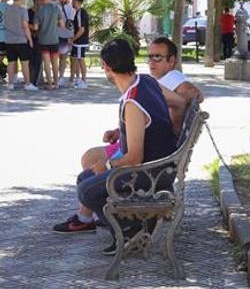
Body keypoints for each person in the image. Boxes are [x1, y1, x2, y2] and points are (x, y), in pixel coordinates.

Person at [55, 36, 201, 236]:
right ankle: (124, 229)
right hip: (164, 165)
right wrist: (162, 134)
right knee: (84, 178)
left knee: (86, 191)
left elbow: (134, 158)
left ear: (106, 67)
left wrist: (106, 166)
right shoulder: (147, 81)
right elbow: (179, 103)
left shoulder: (132, 102)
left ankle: (129, 231)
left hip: (151, 172)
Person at [32, 0, 65, 89]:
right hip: (54, 39)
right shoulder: (57, 9)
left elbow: (35, 28)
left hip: (43, 39)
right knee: (55, 62)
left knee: (46, 62)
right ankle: (57, 83)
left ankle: (50, 84)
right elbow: (62, 25)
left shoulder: (39, 11)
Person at [4, 0, 36, 91]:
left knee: (11, 62)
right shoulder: (23, 11)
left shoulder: (7, 10)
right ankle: (27, 83)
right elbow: (25, 26)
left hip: (9, 40)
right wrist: (30, 39)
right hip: (21, 40)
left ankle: (10, 83)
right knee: (24, 63)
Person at [55, 0, 77, 87]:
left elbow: (73, 21)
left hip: (72, 35)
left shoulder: (73, 5)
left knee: (73, 57)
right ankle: (61, 77)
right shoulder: (57, 6)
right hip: (60, 34)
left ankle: (72, 78)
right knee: (62, 57)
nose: (61, 0)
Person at [70, 0, 90, 89]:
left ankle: (84, 80)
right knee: (77, 59)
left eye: (73, 0)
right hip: (77, 41)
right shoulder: (77, 13)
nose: (72, 2)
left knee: (81, 60)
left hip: (80, 41)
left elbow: (81, 29)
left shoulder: (81, 13)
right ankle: (78, 79)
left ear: (77, 2)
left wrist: (73, 39)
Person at [28, 0, 44, 87]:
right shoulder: (28, 12)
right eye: (40, 0)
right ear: (35, 1)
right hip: (29, 39)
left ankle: (34, 82)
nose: (41, 2)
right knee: (31, 61)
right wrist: (32, 29)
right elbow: (25, 24)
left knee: (38, 61)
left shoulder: (42, 12)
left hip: (40, 39)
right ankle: (30, 80)